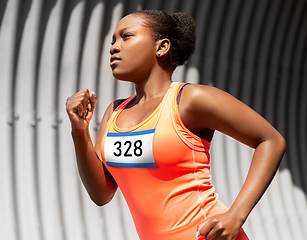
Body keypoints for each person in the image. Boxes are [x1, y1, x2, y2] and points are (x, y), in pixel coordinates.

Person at [66, 10, 286, 240]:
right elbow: (101, 194)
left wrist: (236, 215)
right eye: (113, 41)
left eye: (126, 36)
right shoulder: (114, 112)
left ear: (162, 47)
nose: (114, 47)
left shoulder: (191, 99)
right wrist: (79, 131)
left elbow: (271, 140)